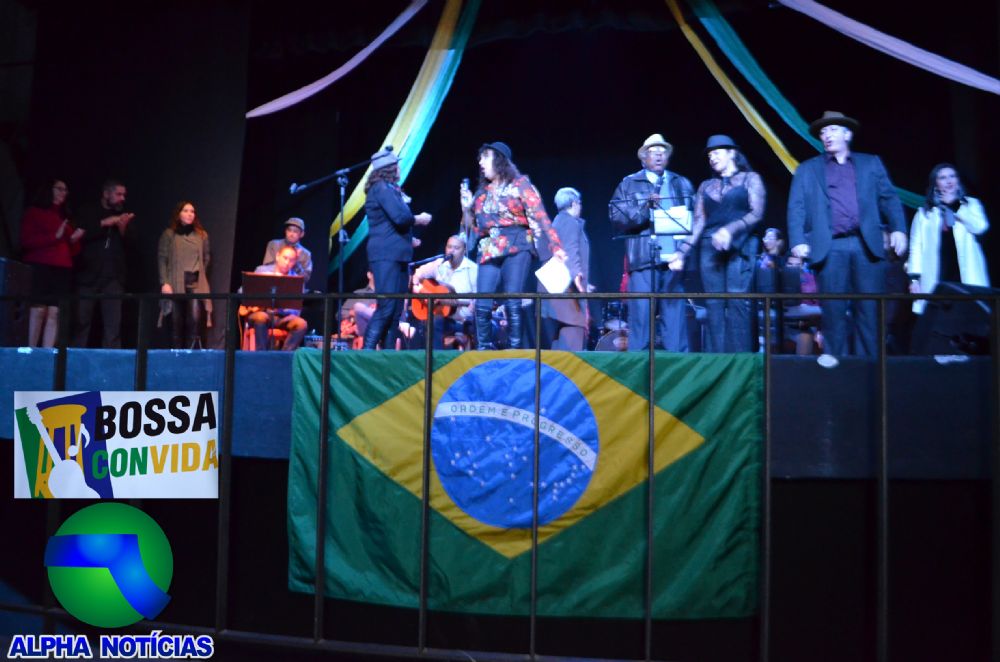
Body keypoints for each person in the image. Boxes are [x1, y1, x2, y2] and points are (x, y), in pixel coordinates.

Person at [787, 111, 907, 357]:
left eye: (832, 129)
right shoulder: (808, 169)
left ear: (847, 134)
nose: (826, 135)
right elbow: (796, 206)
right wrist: (797, 240)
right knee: (833, 314)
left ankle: (870, 369)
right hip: (831, 247)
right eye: (823, 132)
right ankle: (836, 368)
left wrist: (899, 229)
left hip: (866, 245)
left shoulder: (870, 163)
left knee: (870, 313)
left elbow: (889, 198)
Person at [460, 141, 565, 350]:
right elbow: (474, 227)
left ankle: (514, 348)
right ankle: (483, 348)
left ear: (499, 160)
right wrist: (466, 208)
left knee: (512, 298)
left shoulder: (520, 185)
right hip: (489, 246)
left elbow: (540, 215)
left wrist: (556, 246)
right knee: (482, 301)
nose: (480, 162)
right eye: (480, 158)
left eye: (485, 157)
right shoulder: (482, 193)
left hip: (517, 243)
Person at [609, 133, 694, 352]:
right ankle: (638, 367)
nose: (658, 155)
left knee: (675, 325)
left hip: (673, 262)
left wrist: (684, 253)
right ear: (643, 158)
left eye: (662, 151)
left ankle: (678, 367)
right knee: (641, 321)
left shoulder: (681, 183)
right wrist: (645, 207)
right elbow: (617, 217)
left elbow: (694, 220)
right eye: (653, 152)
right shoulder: (630, 183)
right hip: (643, 261)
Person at [683, 135, 765, 353]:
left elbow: (756, 213)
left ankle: (740, 361)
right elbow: (699, 222)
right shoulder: (706, 186)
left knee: (738, 302)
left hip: (741, 244)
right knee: (714, 304)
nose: (712, 157)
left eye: (717, 152)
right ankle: (717, 361)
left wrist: (730, 230)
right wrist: (682, 251)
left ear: (732, 153)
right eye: (710, 155)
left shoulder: (750, 179)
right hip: (709, 247)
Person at [362, 147, 432, 350]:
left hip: (398, 255)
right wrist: (419, 219)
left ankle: (388, 354)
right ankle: (366, 352)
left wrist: (409, 240)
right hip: (386, 256)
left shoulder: (390, 189)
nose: (400, 169)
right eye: (397, 165)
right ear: (389, 168)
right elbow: (400, 218)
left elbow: (390, 224)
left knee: (395, 311)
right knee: (386, 306)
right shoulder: (381, 188)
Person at [908, 163, 989, 315]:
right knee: (938, 320)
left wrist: (956, 207)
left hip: (965, 275)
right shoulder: (924, 214)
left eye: (952, 176)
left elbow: (980, 227)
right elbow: (916, 248)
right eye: (943, 178)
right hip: (937, 276)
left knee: (968, 318)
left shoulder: (971, 205)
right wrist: (914, 279)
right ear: (935, 184)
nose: (949, 181)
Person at [18, 179, 83, 347]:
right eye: (60, 189)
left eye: (65, 190)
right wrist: (54, 237)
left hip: (62, 269)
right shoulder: (34, 212)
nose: (63, 193)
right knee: (38, 309)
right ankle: (31, 350)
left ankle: (47, 354)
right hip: (40, 266)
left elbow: (72, 251)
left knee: (55, 312)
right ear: (49, 190)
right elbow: (26, 241)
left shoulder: (64, 217)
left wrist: (74, 240)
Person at [73, 179, 135, 348]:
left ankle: (112, 360)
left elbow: (132, 246)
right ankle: (75, 358)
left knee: (113, 326)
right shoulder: (89, 211)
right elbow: (77, 237)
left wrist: (122, 227)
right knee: (81, 322)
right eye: (118, 194)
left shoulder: (124, 216)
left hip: (113, 278)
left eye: (124, 195)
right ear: (106, 194)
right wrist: (104, 222)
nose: (122, 198)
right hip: (87, 275)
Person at [540, 187, 590, 351]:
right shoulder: (569, 222)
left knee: (565, 328)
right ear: (574, 203)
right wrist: (578, 279)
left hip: (562, 285)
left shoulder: (558, 221)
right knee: (574, 327)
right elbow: (570, 251)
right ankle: (569, 365)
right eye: (579, 203)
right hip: (567, 287)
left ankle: (557, 365)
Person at [157, 201, 212, 349]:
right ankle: (176, 354)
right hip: (175, 283)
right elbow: (162, 259)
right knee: (176, 321)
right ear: (178, 214)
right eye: (186, 211)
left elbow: (206, 258)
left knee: (194, 320)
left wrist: (200, 274)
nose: (190, 214)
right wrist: (164, 282)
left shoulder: (201, 235)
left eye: (192, 211)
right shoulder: (169, 234)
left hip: (195, 283)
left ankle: (190, 354)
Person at [412, 234, 478, 349]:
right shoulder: (439, 264)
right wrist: (419, 289)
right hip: (441, 317)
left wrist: (472, 306)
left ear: (464, 250)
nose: (452, 251)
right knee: (430, 321)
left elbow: (478, 300)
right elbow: (417, 275)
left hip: (462, 321)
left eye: (456, 248)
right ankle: (433, 357)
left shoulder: (473, 270)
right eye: (449, 247)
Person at [243, 245, 307, 350]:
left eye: (291, 260)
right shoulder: (261, 271)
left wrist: (286, 311)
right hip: (261, 313)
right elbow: (243, 290)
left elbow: (296, 308)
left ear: (295, 262)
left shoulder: (296, 280)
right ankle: (261, 355)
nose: (287, 262)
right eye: (285, 258)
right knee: (261, 317)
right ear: (277, 256)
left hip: (282, 317)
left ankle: (284, 355)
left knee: (301, 324)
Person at [263, 217, 312, 283]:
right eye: (289, 230)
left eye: (295, 231)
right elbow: (266, 267)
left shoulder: (306, 254)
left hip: (292, 285)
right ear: (285, 231)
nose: (291, 234)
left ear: (302, 234)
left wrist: (296, 263)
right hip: (272, 281)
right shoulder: (274, 245)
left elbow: (305, 278)